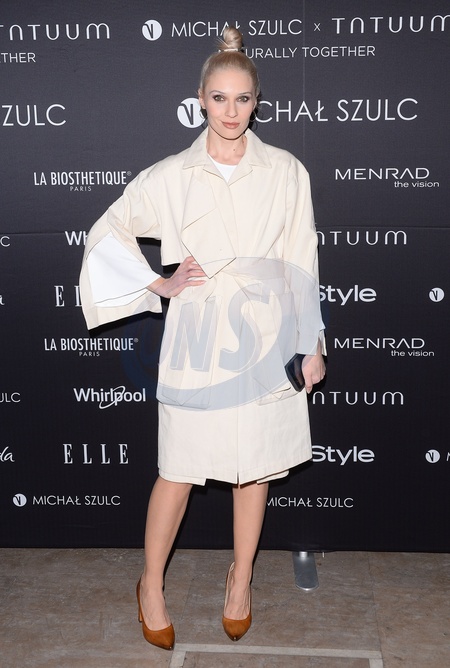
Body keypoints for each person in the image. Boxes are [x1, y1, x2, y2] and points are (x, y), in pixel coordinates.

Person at [80, 26, 326, 651]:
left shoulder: (286, 172)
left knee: (254, 468)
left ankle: (240, 580)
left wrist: (312, 340)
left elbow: (301, 258)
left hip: (267, 334)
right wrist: (157, 284)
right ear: (200, 100)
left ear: (257, 102)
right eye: (219, 98)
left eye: (242, 99)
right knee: (179, 469)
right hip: (197, 335)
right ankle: (151, 585)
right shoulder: (171, 176)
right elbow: (107, 231)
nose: (230, 112)